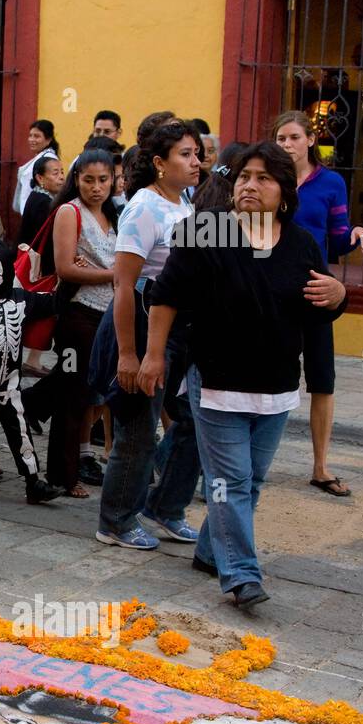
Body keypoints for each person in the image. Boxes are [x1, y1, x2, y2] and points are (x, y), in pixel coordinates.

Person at [139, 142, 348, 606]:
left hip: (275, 388)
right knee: (230, 482)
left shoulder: (299, 242)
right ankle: (241, 575)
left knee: (251, 481)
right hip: (217, 382)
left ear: (285, 193)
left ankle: (213, 551)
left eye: (264, 178)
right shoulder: (205, 230)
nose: (251, 185)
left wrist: (339, 294)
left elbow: (320, 302)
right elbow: (165, 296)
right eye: (245, 177)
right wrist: (154, 357)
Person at [90, 119, 202, 551]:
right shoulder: (143, 208)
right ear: (159, 163)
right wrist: (128, 355)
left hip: (178, 330)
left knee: (191, 420)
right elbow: (123, 286)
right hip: (139, 323)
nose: (196, 162)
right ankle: (115, 520)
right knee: (138, 429)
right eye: (186, 155)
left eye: (197, 153)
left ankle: (165, 507)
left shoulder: (186, 200)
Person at [272, 110, 363, 499]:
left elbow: (337, 236)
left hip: (316, 286)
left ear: (310, 140)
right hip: (273, 285)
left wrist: (357, 235)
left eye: (294, 137)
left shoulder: (330, 182)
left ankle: (320, 467)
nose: (287, 145)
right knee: (266, 370)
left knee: (322, 378)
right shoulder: (271, 178)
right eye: (281, 138)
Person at [0, 244, 63, 505]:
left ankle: (33, 481)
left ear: (6, 272)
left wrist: (67, 276)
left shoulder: (21, 298)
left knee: (20, 430)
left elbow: (54, 302)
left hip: (10, 384)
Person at [45, 149, 120, 497]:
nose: (96, 187)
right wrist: (112, 274)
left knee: (96, 395)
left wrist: (105, 274)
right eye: (88, 179)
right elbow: (65, 268)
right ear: (76, 179)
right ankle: (64, 474)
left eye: (103, 180)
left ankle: (32, 402)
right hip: (79, 316)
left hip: (111, 317)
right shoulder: (68, 211)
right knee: (72, 396)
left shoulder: (114, 214)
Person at [13, 119, 59, 217]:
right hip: (30, 210)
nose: (32, 140)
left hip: (39, 211)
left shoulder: (49, 159)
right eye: (30, 136)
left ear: (48, 140)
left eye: (37, 136)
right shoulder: (40, 157)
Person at [17, 155, 66, 247]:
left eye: (62, 172)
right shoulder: (43, 203)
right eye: (55, 174)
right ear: (40, 178)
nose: (62, 177)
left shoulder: (39, 196)